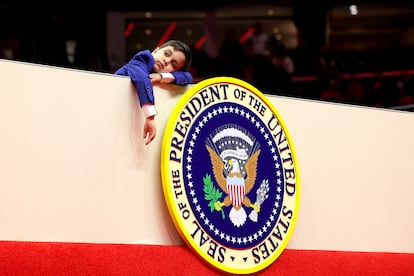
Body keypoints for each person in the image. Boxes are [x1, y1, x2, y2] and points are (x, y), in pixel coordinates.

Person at [115, 40, 193, 145]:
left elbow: (188, 77)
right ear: (156, 51)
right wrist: (150, 117)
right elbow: (142, 80)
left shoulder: (162, 75)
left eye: (173, 64)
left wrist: (161, 77)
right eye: (166, 54)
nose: (166, 61)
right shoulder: (143, 58)